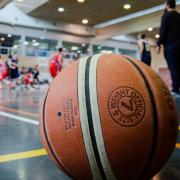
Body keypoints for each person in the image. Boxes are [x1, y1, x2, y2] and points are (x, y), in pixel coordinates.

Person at [157, 0, 180, 95]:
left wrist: (159, 44)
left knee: (173, 67)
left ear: (167, 5)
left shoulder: (166, 16)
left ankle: (175, 89)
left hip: (170, 46)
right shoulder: (179, 16)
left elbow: (163, 31)